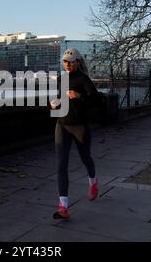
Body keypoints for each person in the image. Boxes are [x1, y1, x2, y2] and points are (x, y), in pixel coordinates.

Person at [51, 48, 100, 220]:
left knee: (85, 158)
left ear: (77, 62)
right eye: (65, 61)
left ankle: (93, 182)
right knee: (61, 165)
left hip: (79, 127)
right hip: (62, 125)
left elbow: (97, 99)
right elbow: (57, 99)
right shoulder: (60, 79)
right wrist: (53, 105)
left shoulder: (83, 79)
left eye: (71, 61)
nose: (68, 64)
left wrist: (79, 95)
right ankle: (63, 206)